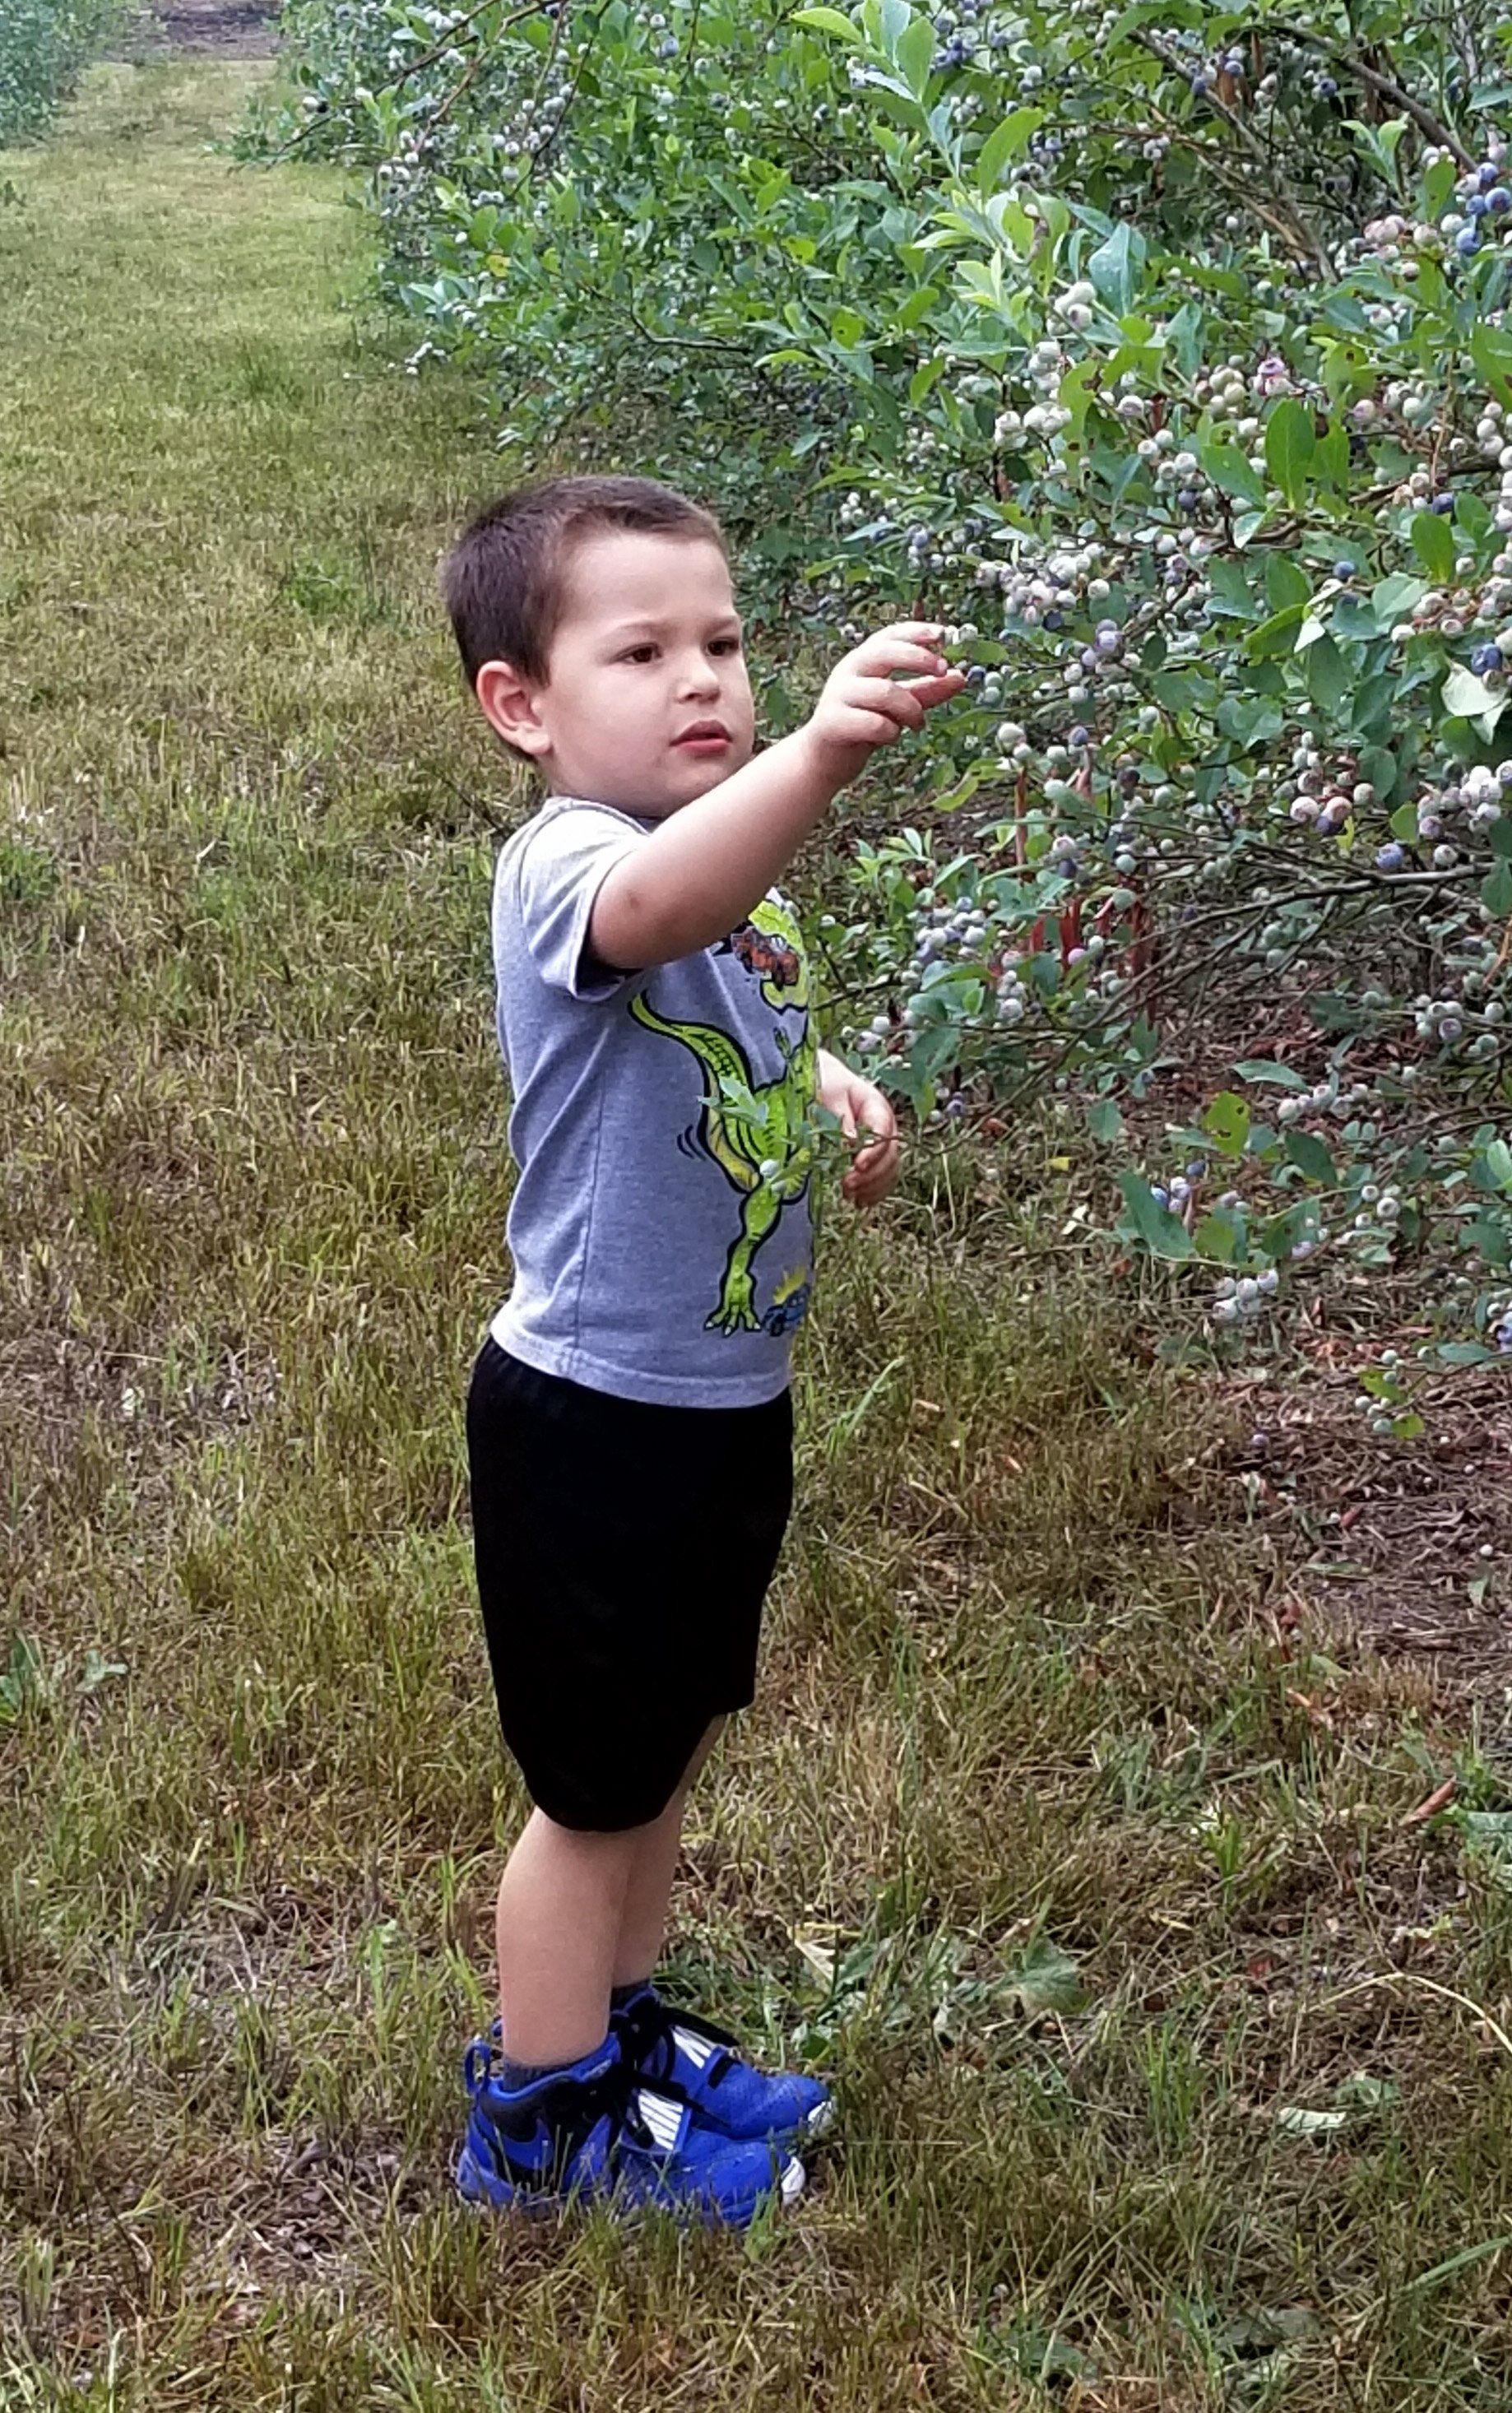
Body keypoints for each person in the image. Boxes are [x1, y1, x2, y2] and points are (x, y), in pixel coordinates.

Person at [442, 473, 963, 2227]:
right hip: (591, 1413)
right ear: (521, 706)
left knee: (658, 1751)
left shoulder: (729, 877)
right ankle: (539, 2117)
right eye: (642, 650)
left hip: (720, 1401)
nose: (703, 681)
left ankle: (619, 2033)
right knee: (587, 1798)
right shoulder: (569, 861)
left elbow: (732, 1017)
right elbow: (655, 916)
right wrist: (812, 756)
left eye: (725, 644)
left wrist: (827, 1093)